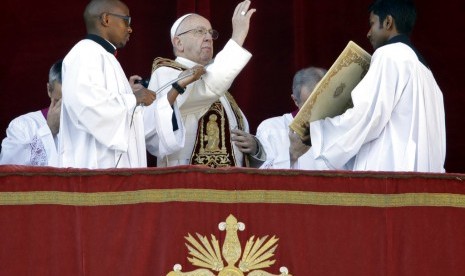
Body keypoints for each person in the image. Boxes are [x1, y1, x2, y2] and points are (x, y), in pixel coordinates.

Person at [302, 0, 446, 172]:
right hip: (423, 178)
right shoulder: (427, 73)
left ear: (387, 22)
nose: (368, 33)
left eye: (372, 24)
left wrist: (319, 133)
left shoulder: (390, 55)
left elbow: (367, 115)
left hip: (390, 174)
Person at [59, 0, 203, 169]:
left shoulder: (107, 57)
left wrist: (177, 87)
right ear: (106, 19)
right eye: (126, 21)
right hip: (93, 168)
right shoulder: (85, 53)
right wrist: (133, 99)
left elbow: (135, 125)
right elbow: (86, 106)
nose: (130, 28)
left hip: (120, 171)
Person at [146, 0, 257, 168]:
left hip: (230, 186)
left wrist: (254, 147)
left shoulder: (221, 87)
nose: (208, 38)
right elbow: (202, 92)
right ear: (178, 43)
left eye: (210, 33)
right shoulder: (166, 72)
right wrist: (237, 38)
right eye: (199, 31)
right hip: (187, 183)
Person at [249, 67, 332, 169]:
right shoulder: (270, 129)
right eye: (310, 105)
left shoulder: (341, 126)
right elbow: (261, 181)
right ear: (295, 100)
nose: (318, 110)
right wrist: (292, 154)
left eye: (324, 102)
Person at [0, 60, 63, 166]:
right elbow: (8, 170)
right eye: (58, 102)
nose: (63, 111)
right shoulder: (23, 126)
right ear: (49, 90)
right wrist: (49, 130)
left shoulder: (92, 125)